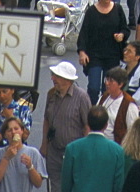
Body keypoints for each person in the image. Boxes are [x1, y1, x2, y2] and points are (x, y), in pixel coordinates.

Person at [77, 0, 130, 105]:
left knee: (108, 88)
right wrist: (82, 52)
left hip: (112, 55)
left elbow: (125, 29)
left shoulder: (118, 9)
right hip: (94, 54)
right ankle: (91, 110)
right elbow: (84, 33)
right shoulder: (91, 12)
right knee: (93, 87)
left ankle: (104, 111)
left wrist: (121, 35)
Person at [40, 62, 90, 192]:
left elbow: (87, 126)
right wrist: (44, 144)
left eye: (56, 76)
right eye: (53, 75)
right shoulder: (51, 94)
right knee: (55, 186)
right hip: (54, 150)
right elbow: (46, 120)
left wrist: (85, 152)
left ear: (67, 80)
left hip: (74, 153)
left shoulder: (82, 97)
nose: (52, 78)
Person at [61, 106, 125, 192]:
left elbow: (66, 184)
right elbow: (118, 185)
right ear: (106, 125)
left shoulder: (72, 148)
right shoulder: (117, 151)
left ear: (88, 123)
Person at [0, 117, 46, 191]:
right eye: (9, 130)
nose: (13, 132)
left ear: (22, 131)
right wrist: (6, 158)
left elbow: (38, 184)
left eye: (16, 129)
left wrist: (30, 167)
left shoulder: (33, 153)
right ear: (5, 135)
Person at [98, 68, 139, 143]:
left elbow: (132, 131)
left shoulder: (129, 104)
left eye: (111, 81)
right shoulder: (103, 97)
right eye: (106, 80)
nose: (107, 83)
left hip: (117, 145)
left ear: (120, 84)